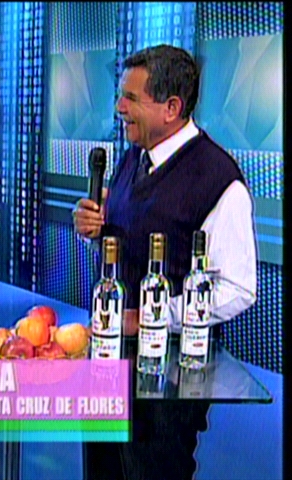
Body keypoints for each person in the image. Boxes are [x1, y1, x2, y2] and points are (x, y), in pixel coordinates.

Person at [73, 44, 257, 479]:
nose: (119, 108)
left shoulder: (219, 180)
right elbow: (129, 242)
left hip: (167, 386)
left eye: (131, 98)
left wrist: (152, 318)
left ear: (171, 108)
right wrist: (93, 230)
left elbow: (238, 288)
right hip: (107, 366)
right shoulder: (133, 157)